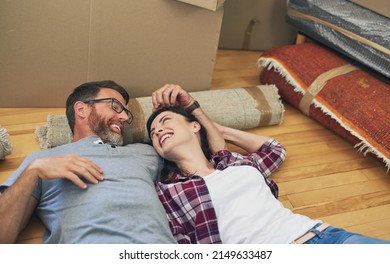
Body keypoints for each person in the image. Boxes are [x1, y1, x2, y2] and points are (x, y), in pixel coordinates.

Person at [146, 84, 390, 244]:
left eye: (166, 121)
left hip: (322, 237)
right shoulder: (167, 191)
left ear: (195, 127)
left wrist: (196, 110)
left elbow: (275, 150)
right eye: (154, 132)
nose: (159, 130)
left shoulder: (232, 163)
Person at [0, 80, 176, 244]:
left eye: (126, 113)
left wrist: (192, 108)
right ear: (81, 109)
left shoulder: (146, 152)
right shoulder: (41, 161)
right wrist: (33, 171)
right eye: (115, 106)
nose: (123, 117)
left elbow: (197, 156)